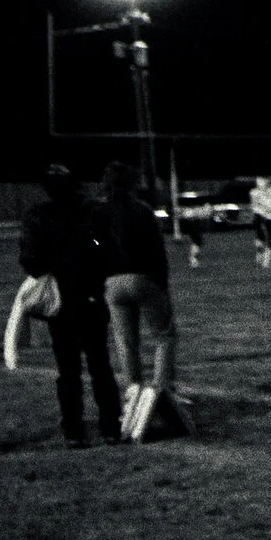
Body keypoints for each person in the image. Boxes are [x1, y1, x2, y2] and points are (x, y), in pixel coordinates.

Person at [17, 165, 121, 447]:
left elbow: (30, 260)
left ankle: (74, 430)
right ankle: (111, 426)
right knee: (100, 365)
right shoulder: (92, 213)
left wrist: (55, 262)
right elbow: (108, 250)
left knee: (68, 369)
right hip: (89, 295)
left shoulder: (38, 217)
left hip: (60, 299)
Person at [97, 162, 186, 442]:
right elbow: (157, 251)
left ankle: (133, 393)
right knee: (164, 336)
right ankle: (161, 391)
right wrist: (162, 284)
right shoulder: (142, 212)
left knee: (126, 343)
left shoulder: (98, 213)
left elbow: (95, 247)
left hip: (111, 281)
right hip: (143, 277)